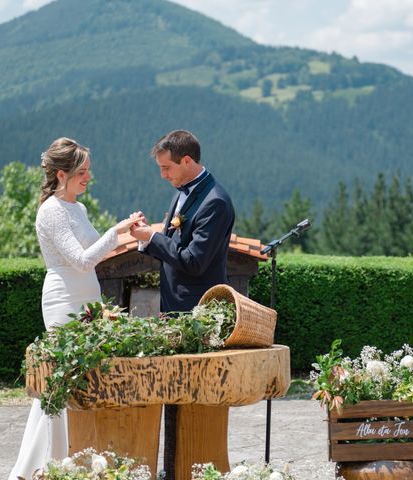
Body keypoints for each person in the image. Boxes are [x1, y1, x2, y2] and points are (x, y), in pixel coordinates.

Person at [9, 137, 142, 480]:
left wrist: (130, 232)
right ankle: (49, 462)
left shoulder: (78, 209)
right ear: (60, 174)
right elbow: (82, 260)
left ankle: (77, 456)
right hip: (63, 297)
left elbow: (101, 249)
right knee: (61, 377)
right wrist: (116, 230)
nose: (88, 177)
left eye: (88, 171)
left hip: (88, 296)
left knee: (85, 374)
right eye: (82, 172)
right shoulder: (51, 211)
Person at [129, 130, 234, 479]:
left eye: (167, 168)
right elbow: (172, 242)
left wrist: (154, 239)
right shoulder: (182, 194)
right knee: (172, 394)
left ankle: (194, 467)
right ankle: (173, 468)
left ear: (187, 161)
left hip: (197, 313)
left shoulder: (215, 201)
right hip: (174, 311)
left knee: (195, 401)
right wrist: (151, 238)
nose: (163, 175)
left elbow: (193, 261)